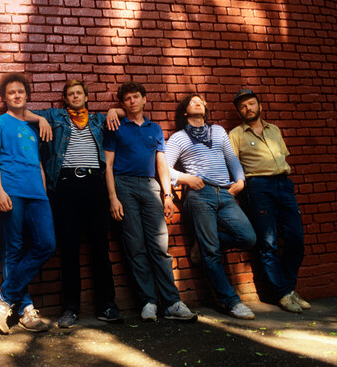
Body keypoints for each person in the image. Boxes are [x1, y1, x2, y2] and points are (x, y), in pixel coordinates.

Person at [28, 80, 124, 328]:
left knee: (99, 246)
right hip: (65, 185)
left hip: (94, 185)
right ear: (65, 98)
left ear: (86, 97)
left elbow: (126, 111)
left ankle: (107, 305)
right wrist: (41, 120)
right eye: (70, 94)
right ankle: (71, 308)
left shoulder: (98, 119)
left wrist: (114, 110)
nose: (75, 96)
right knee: (69, 248)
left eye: (79, 93)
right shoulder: (55, 116)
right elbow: (22, 113)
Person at [104, 82, 196, 322]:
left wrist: (168, 195)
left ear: (144, 99)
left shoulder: (154, 129)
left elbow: (161, 164)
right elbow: (108, 166)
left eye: (136, 97)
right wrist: (113, 197)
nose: (132, 101)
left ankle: (172, 303)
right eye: (127, 99)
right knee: (135, 247)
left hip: (150, 186)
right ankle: (148, 302)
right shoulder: (116, 126)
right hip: (123, 185)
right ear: (122, 103)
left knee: (159, 247)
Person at [165, 93, 257, 320]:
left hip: (225, 193)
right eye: (192, 101)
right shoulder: (178, 138)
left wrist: (240, 180)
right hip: (199, 194)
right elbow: (164, 167)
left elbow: (231, 158)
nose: (198, 103)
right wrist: (185, 178)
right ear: (185, 111)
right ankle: (231, 302)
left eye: (201, 101)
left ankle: (205, 241)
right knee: (212, 252)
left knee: (248, 238)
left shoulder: (218, 131)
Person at [0, 73, 56, 334]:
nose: (16, 95)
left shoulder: (33, 126)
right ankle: (25, 310)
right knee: (13, 248)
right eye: (11, 92)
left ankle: (3, 298)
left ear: (27, 95)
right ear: (4, 97)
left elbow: (38, 163)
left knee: (46, 244)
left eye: (21, 91)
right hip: (11, 191)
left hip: (37, 194)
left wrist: (44, 191)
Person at [229, 89, 310, 313]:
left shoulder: (274, 129)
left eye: (251, 104)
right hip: (258, 187)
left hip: (284, 184)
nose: (248, 108)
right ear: (239, 111)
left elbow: (283, 156)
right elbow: (232, 165)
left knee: (296, 238)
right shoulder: (235, 134)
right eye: (243, 106)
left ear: (260, 106)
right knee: (268, 242)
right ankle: (282, 293)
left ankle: (289, 288)